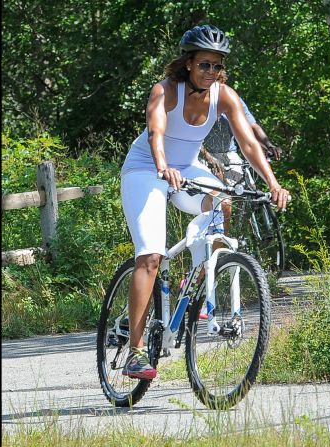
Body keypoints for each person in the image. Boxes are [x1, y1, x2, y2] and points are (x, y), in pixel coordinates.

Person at [119, 24, 291, 380]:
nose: (211, 72)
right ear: (187, 63)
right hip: (146, 169)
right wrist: (163, 166)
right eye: (204, 65)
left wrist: (273, 184)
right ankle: (136, 352)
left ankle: (198, 280)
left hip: (187, 169)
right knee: (151, 256)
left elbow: (248, 144)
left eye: (217, 66)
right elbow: (156, 132)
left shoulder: (224, 95)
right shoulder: (165, 90)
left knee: (222, 200)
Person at [200, 75, 282, 233]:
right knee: (223, 199)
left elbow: (252, 125)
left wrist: (268, 144)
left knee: (248, 191)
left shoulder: (231, 98)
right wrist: (208, 157)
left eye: (220, 82)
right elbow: (192, 139)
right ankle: (222, 235)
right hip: (205, 155)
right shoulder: (200, 100)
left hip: (230, 154)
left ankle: (242, 231)